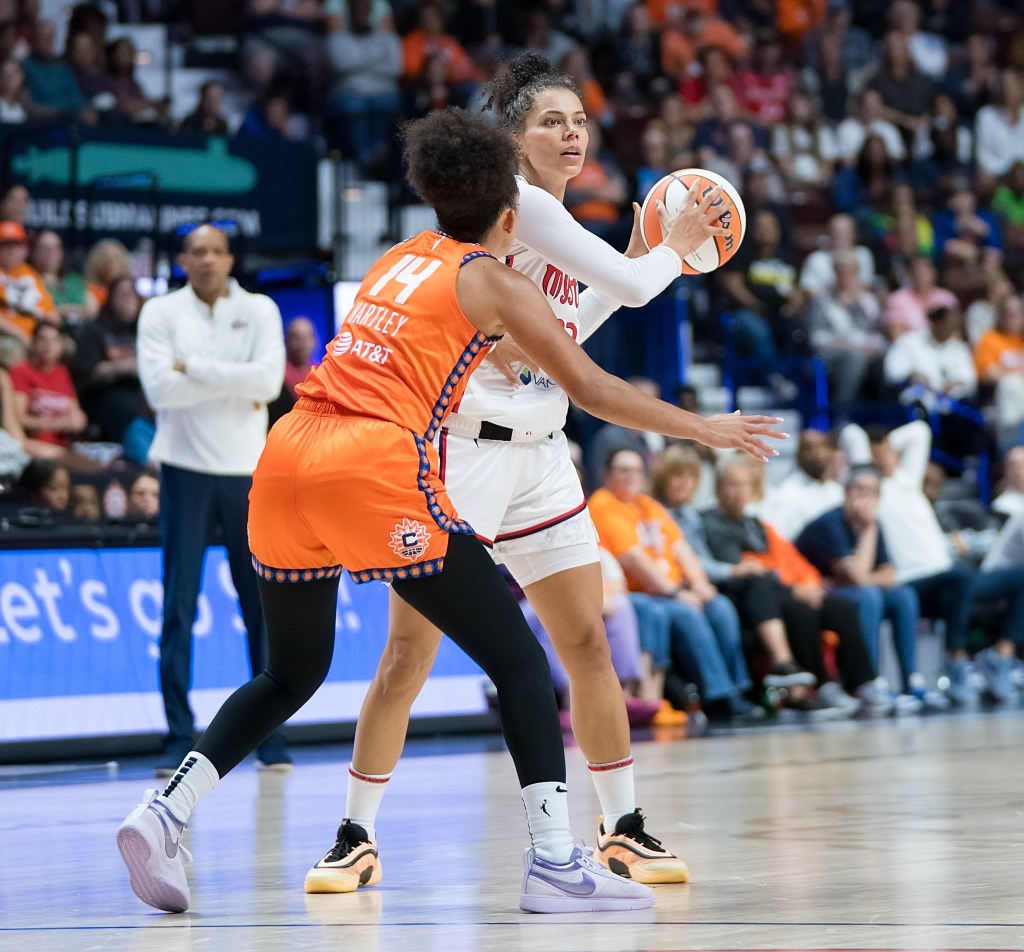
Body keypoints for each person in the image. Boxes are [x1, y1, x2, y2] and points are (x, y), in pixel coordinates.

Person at [115, 107, 784, 915]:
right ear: (511, 215)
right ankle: (554, 863)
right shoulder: (494, 281)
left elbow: (553, 334)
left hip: (286, 454)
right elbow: (591, 386)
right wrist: (702, 426)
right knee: (521, 664)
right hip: (371, 466)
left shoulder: (396, 258)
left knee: (289, 671)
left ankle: (166, 811)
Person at [327, 53, 774, 892]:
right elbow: (636, 292)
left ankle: (623, 828)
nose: (571, 135)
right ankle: (355, 833)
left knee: (587, 644)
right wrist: (670, 250)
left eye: (578, 122)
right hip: (461, 453)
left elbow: (569, 334)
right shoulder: (521, 203)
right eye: (550, 122)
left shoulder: (556, 220)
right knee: (406, 658)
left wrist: (637, 259)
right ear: (513, 138)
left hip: (540, 455)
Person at [135, 224, 290, 777]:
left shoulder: (261, 309)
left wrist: (193, 368)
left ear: (229, 260)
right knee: (177, 607)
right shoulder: (160, 313)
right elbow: (159, 390)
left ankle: (269, 739)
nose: (207, 260)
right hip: (184, 470)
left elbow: (268, 384)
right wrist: (233, 383)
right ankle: (178, 735)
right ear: (183, 259)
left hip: (247, 472)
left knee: (261, 610)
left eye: (216, 252)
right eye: (197, 251)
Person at [589, 447, 761, 724]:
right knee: (686, 612)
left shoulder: (647, 505)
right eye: (623, 470)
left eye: (636, 470)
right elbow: (633, 558)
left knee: (720, 606)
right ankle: (718, 695)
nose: (631, 476)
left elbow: (680, 546)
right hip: (637, 593)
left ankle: (739, 688)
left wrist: (699, 582)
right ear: (607, 475)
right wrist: (675, 592)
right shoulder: (604, 504)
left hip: (668, 589)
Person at [794, 466, 945, 711]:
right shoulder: (831, 524)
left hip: (846, 590)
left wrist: (865, 573)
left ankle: (911, 680)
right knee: (869, 596)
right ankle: (869, 681)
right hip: (813, 595)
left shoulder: (872, 524)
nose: (864, 497)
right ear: (846, 493)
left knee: (903, 595)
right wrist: (869, 531)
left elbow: (889, 575)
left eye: (872, 492)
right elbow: (857, 575)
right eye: (859, 489)